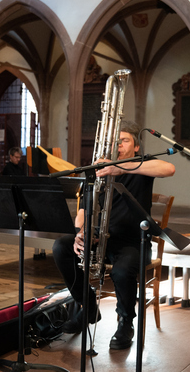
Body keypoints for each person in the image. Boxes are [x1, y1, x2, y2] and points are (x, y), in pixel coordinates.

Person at [52, 121, 175, 350]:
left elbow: (169, 169)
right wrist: (81, 233)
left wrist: (122, 168)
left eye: (124, 140)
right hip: (100, 239)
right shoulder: (99, 169)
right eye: (115, 142)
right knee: (61, 247)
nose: (118, 146)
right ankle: (88, 307)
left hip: (133, 241)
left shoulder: (141, 164)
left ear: (136, 147)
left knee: (121, 270)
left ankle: (125, 322)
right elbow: (83, 211)